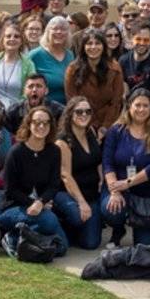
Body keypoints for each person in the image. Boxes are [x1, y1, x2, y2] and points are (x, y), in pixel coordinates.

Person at [0, 104, 71, 257]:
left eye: (46, 122)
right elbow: (10, 190)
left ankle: (20, 237)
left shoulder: (54, 151)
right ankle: (12, 237)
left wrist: (41, 202)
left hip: (40, 206)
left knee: (62, 246)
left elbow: (54, 184)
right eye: (37, 122)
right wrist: (33, 203)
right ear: (29, 124)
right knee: (50, 222)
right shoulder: (16, 152)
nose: (41, 126)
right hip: (12, 207)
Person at [102, 88, 150, 246]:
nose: (141, 109)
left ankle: (138, 226)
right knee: (112, 209)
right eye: (137, 105)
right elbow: (107, 162)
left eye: (146, 106)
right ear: (129, 106)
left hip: (146, 193)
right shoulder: (116, 131)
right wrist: (115, 190)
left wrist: (129, 182)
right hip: (118, 188)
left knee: (146, 245)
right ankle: (118, 230)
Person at [56, 96, 105, 249]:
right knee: (78, 216)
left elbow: (97, 159)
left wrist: (102, 179)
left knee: (90, 244)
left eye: (88, 111)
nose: (84, 115)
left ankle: (75, 230)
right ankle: (61, 222)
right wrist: (82, 203)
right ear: (70, 114)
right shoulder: (63, 141)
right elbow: (66, 175)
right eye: (79, 112)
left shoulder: (90, 131)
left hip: (91, 194)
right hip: (67, 193)